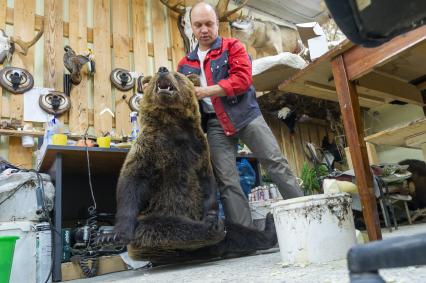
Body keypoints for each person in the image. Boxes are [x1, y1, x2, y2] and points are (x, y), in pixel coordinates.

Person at [177, 2, 303, 228]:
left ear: (217, 24)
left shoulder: (233, 46)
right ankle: (245, 235)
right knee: (227, 180)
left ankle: (306, 216)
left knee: (275, 162)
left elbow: (243, 80)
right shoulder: (185, 65)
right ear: (191, 27)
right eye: (198, 25)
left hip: (245, 114)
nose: (204, 30)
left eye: (209, 24)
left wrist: (207, 91)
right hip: (215, 123)